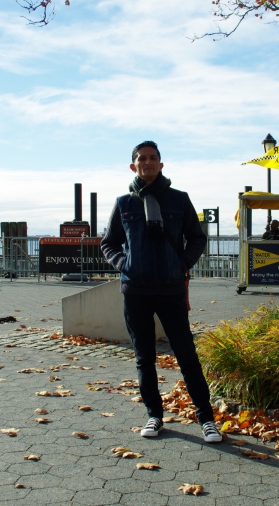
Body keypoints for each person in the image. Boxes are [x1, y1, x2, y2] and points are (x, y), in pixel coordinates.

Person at [101, 140, 221, 443]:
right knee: (144, 357)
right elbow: (108, 243)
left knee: (186, 355)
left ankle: (206, 418)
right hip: (136, 290)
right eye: (142, 158)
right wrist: (123, 263)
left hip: (170, 289)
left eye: (153, 158)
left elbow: (197, 237)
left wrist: (181, 263)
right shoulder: (123, 203)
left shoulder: (179, 200)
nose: (148, 162)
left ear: (161, 164)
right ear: (133, 166)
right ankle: (154, 415)